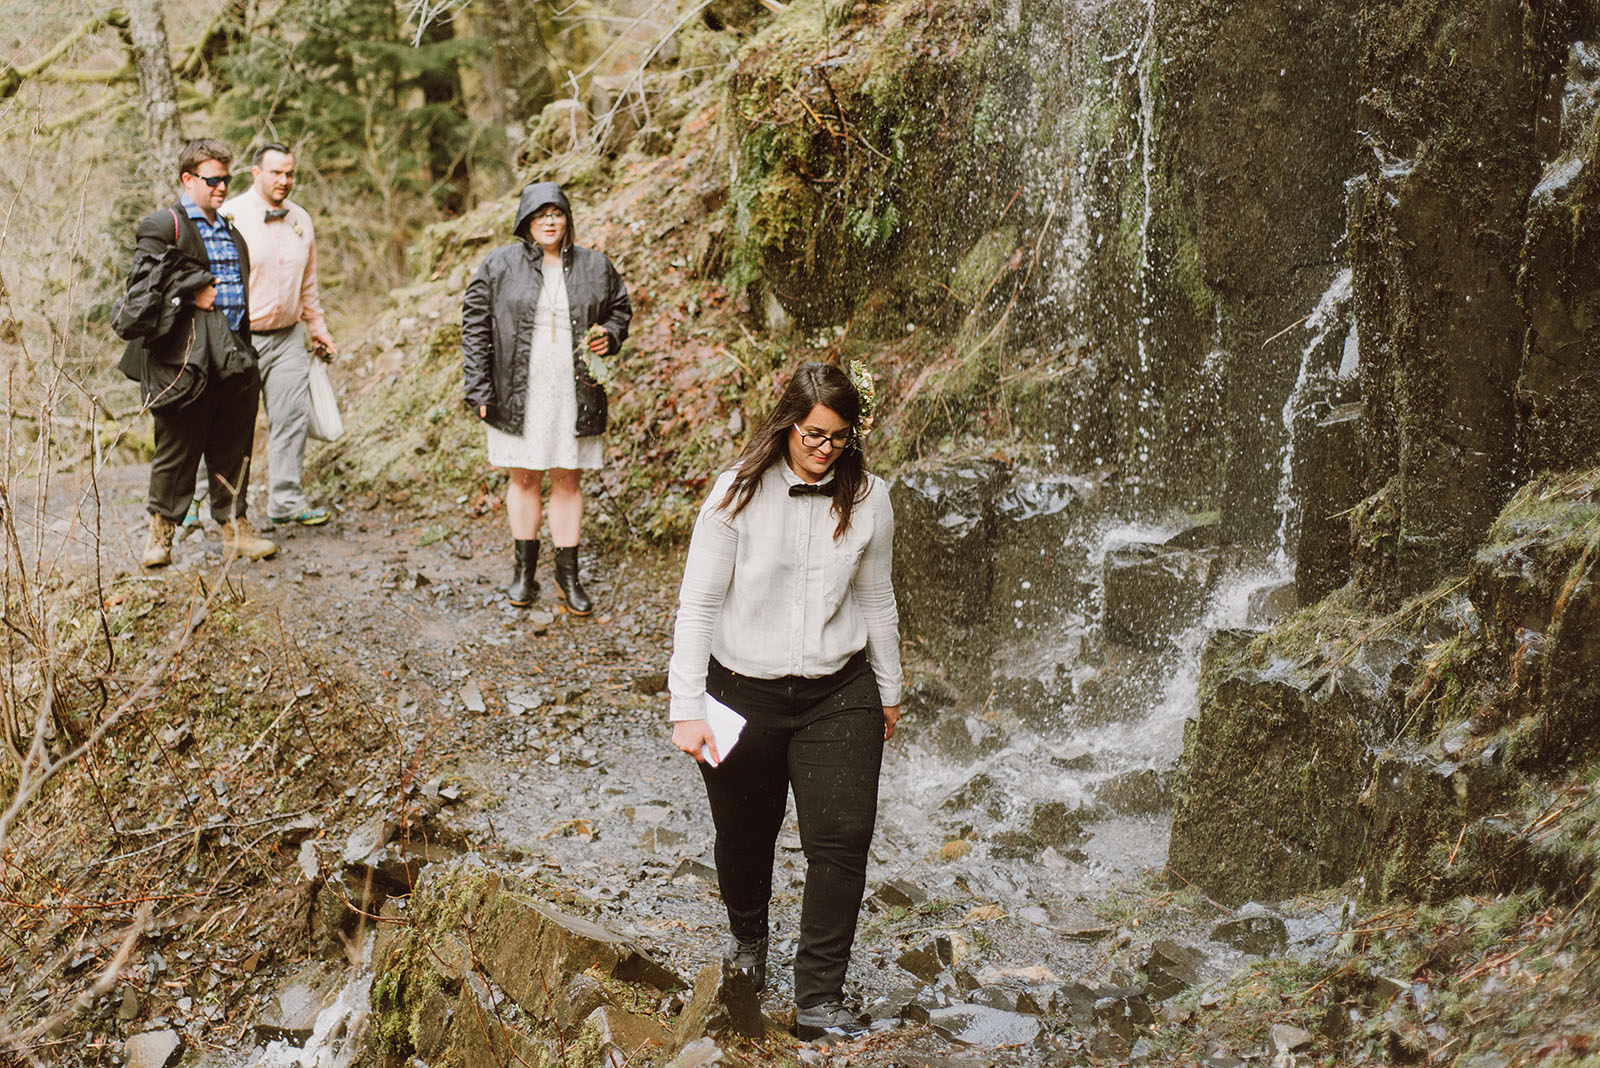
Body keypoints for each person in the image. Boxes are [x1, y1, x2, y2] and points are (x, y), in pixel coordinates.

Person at [666, 362, 902, 1041]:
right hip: (740, 692)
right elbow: (699, 605)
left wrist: (889, 688)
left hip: (839, 690)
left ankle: (820, 996)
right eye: (814, 436)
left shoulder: (869, 499)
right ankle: (747, 943)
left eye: (840, 439)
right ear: (787, 425)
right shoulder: (734, 493)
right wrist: (687, 706)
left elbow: (876, 598)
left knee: (843, 837)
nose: (826, 451)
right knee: (745, 834)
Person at [461, 182, 631, 615]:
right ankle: (523, 572)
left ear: (567, 218)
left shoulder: (596, 266)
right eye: (540, 215)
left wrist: (609, 336)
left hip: (576, 390)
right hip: (518, 389)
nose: (549, 222)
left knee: (568, 478)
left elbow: (619, 310)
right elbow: (475, 327)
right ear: (526, 221)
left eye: (556, 213)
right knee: (524, 478)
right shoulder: (500, 264)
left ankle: (567, 576)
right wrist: (479, 388)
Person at [115, 138, 277, 567]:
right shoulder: (162, 226)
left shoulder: (229, 229)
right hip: (184, 363)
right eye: (213, 179)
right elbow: (138, 297)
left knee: (234, 447)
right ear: (188, 180)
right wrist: (190, 295)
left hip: (235, 356)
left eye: (226, 178)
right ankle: (160, 539)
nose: (222, 186)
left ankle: (234, 530)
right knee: (177, 448)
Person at [221, 142, 338, 527]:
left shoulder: (301, 220)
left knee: (291, 417)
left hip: (289, 337)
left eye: (290, 173)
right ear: (256, 172)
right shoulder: (230, 216)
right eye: (276, 173)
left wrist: (318, 330)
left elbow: (309, 285)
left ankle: (286, 501)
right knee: (231, 423)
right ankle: (213, 503)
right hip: (240, 338)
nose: (284, 180)